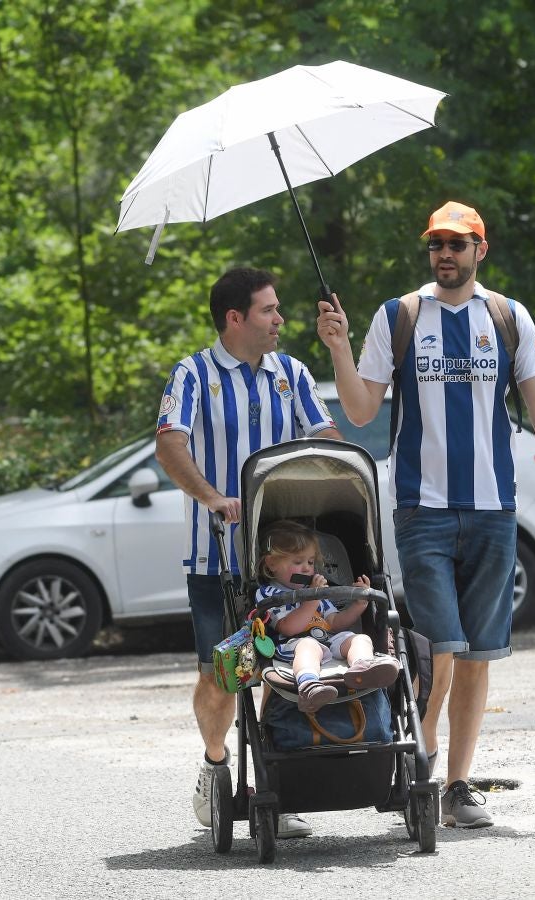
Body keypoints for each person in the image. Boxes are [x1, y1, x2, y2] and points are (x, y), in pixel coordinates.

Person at [316, 201, 535, 829]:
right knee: (441, 644)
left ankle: (458, 786)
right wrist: (337, 348)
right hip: (423, 510)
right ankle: (423, 763)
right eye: (436, 244)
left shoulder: (507, 317)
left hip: (495, 509)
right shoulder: (401, 316)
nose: (445, 254)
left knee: (478, 654)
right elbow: (360, 412)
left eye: (457, 244)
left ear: (479, 252)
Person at [156, 266, 341, 840]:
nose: (280, 320)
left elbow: (326, 436)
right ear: (235, 319)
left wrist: (327, 458)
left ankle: (274, 785)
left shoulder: (292, 372)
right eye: (269, 311)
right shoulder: (192, 374)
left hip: (288, 560)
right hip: (217, 560)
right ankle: (216, 768)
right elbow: (169, 443)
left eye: (278, 309)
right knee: (225, 675)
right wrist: (213, 497)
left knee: (287, 667)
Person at [256, 520, 400, 712]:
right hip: (292, 644)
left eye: (310, 562)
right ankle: (309, 685)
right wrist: (313, 600)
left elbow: (334, 623)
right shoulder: (269, 593)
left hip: (327, 640)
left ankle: (363, 668)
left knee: (359, 638)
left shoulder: (316, 593)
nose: (307, 568)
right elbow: (288, 627)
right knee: (309, 646)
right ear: (272, 563)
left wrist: (358, 605)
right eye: (298, 562)